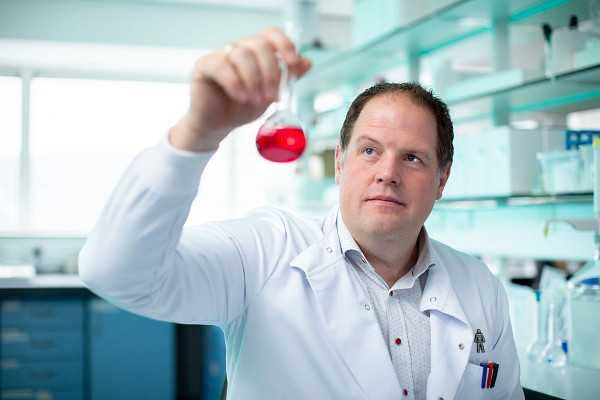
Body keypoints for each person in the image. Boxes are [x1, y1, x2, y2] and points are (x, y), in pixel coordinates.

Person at [79, 27, 524, 400]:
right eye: (370, 150)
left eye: (413, 158)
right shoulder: (266, 252)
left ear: (442, 179)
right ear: (340, 163)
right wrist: (199, 132)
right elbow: (116, 273)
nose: (387, 173)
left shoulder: (479, 286)